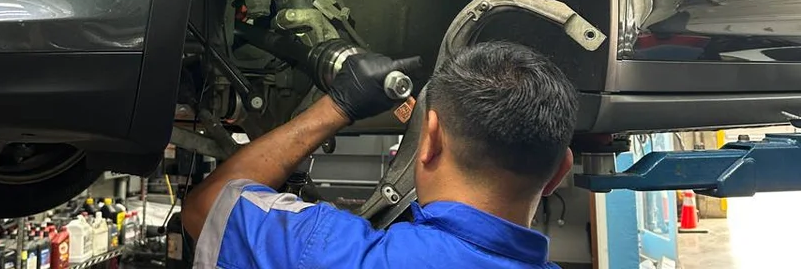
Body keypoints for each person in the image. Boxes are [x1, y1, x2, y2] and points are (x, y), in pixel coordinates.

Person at [181, 40, 578, 268]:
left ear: (431, 139)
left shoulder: (334, 254)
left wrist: (338, 105)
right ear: (560, 171)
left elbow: (206, 207)